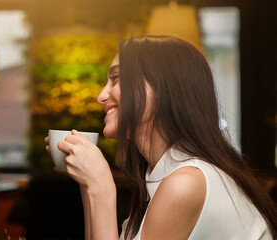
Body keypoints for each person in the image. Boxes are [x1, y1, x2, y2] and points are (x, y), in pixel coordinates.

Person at [47, 35, 277, 239]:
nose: (101, 96)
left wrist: (101, 186)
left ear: (160, 86)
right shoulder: (164, 175)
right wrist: (88, 184)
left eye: (115, 78)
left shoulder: (187, 183)